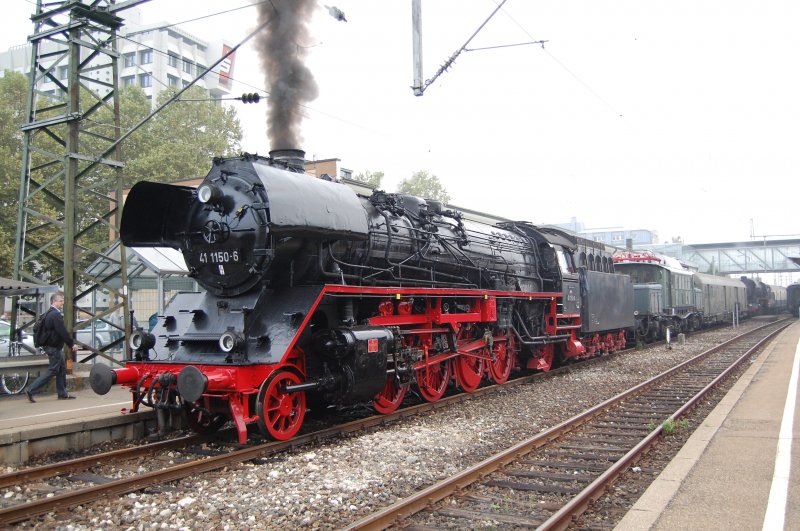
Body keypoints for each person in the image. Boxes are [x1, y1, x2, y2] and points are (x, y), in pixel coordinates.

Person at [25, 292, 79, 402]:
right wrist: (72, 344)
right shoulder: (55, 314)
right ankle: (31, 389)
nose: (63, 303)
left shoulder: (48, 313)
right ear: (54, 301)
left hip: (52, 346)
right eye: (61, 301)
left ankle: (62, 393)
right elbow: (62, 332)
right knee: (54, 369)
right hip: (53, 347)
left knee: (61, 369)